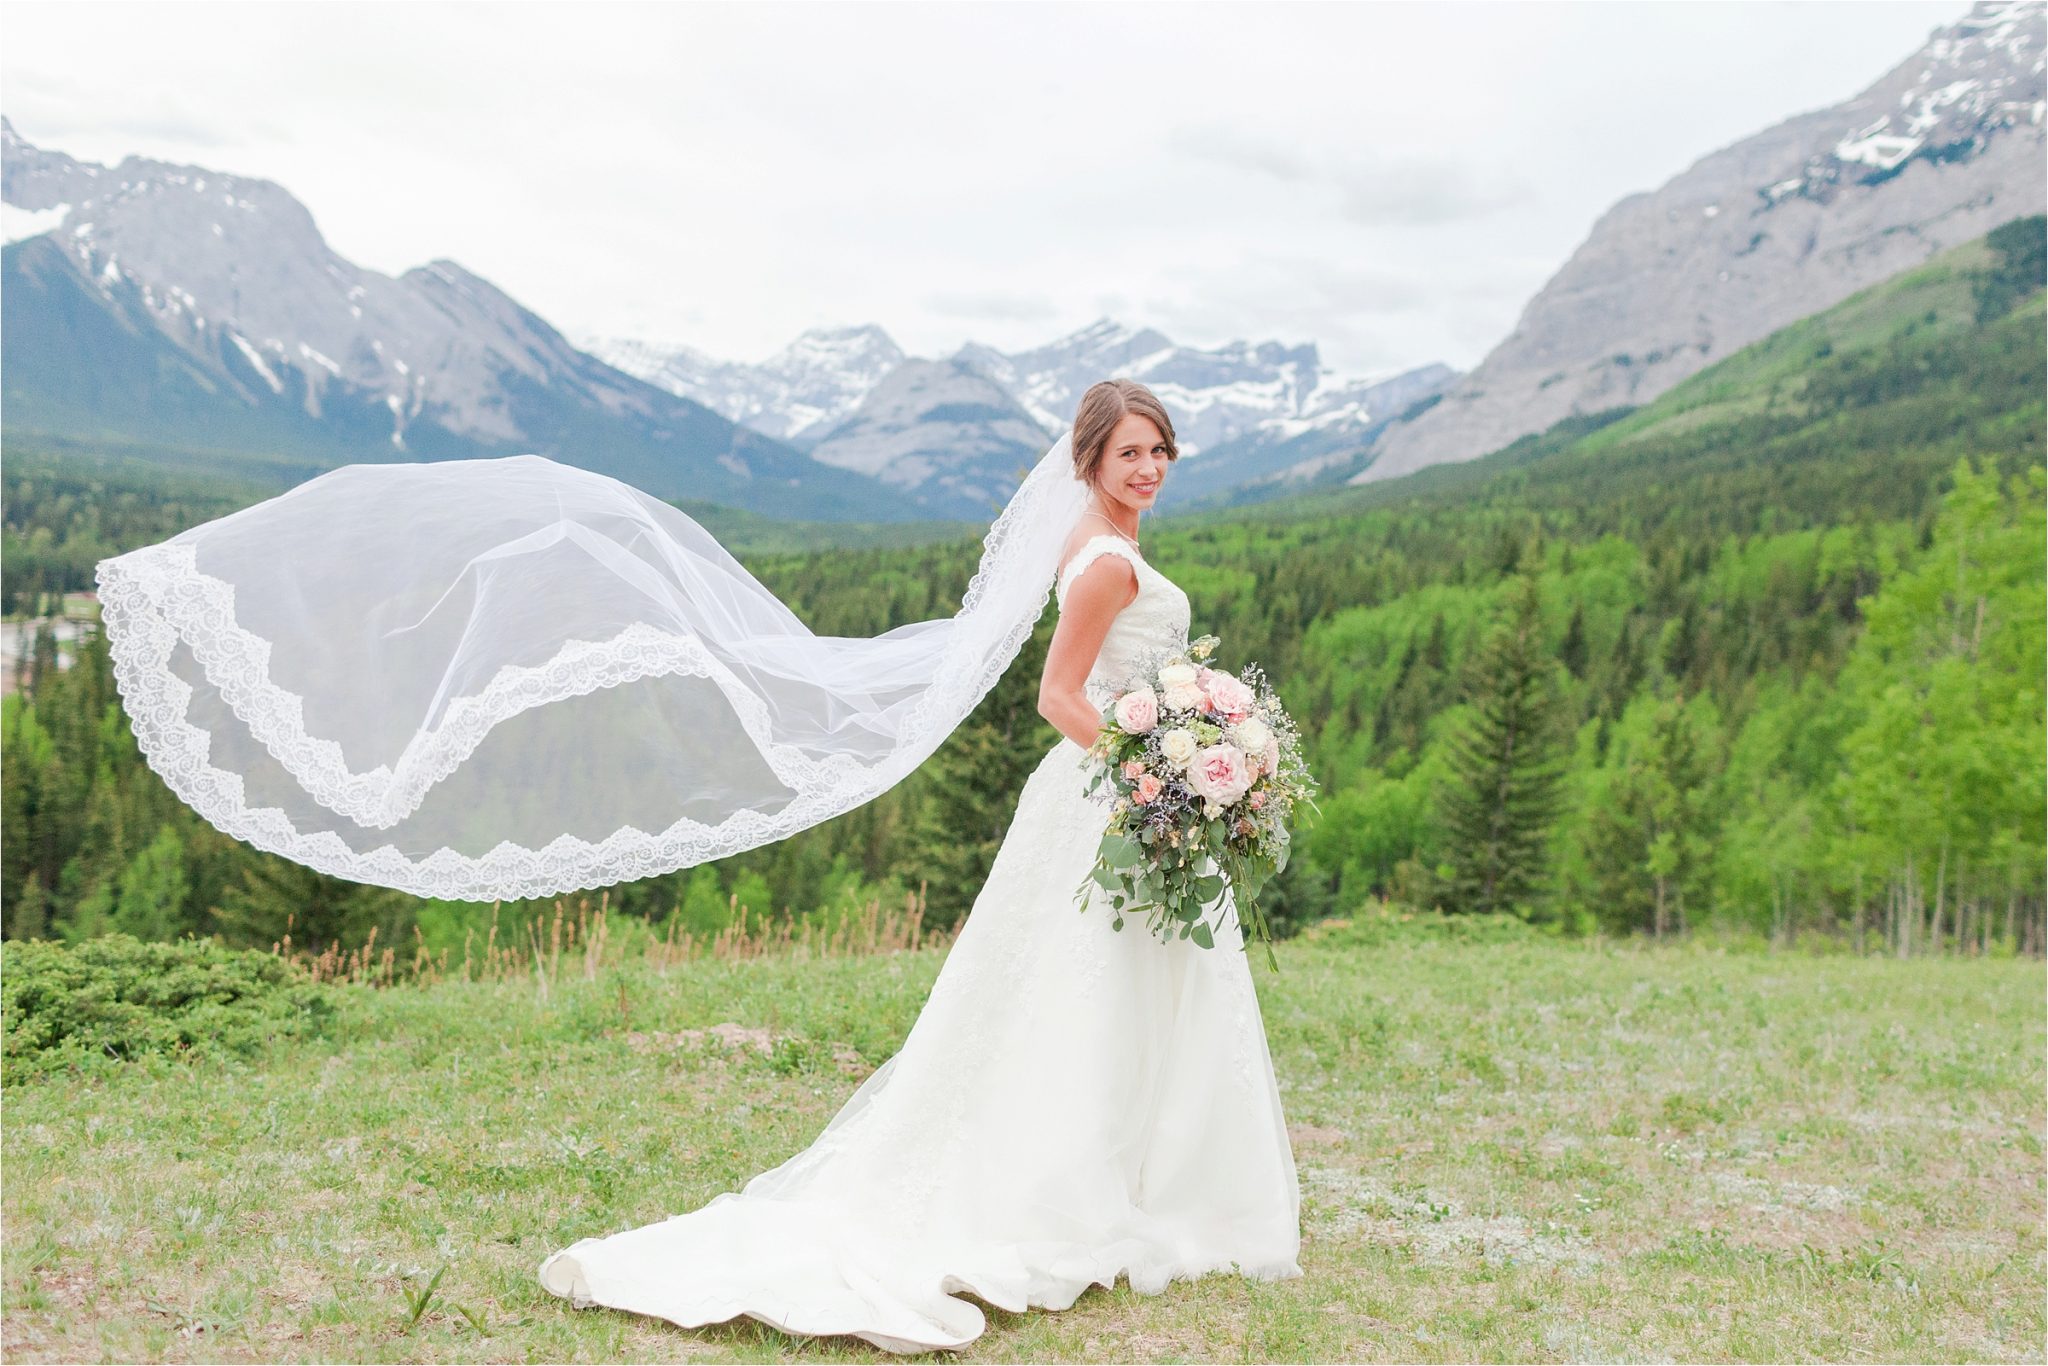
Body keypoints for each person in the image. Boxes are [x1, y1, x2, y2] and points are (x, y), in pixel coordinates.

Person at [534, 379, 1302, 1353]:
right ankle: (1095, 1182)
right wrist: (1152, 771)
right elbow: (1058, 695)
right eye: (1128, 456)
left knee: (1089, 988)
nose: (1147, 469)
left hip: (1111, 793)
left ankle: (1127, 1170)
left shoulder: (1102, 544)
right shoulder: (1107, 561)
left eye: (1160, 452)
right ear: (1089, 465)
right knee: (1091, 988)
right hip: (1113, 794)